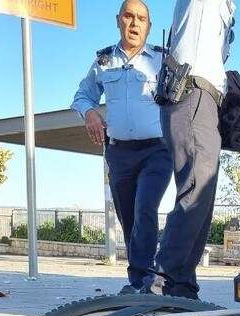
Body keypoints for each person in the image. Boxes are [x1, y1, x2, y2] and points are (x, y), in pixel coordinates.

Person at [71, 0, 172, 295]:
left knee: (145, 208)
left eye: (141, 18)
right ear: (118, 20)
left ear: (149, 26)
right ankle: (140, 279)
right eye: (129, 16)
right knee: (128, 216)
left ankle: (145, 278)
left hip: (157, 150)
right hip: (118, 153)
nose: (134, 23)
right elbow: (82, 95)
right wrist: (89, 112)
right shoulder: (104, 60)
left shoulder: (162, 59)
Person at [143, 0, 237, 299]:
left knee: (202, 196)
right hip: (192, 92)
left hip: (203, 100)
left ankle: (181, 289)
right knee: (197, 190)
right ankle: (161, 286)